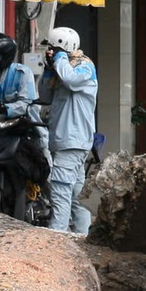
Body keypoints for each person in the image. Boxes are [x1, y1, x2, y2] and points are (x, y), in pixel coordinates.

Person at [39, 28, 99, 235]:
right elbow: (44, 94)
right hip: (64, 140)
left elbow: (71, 80)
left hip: (73, 139)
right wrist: (49, 69)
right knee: (76, 193)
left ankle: (57, 236)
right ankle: (83, 236)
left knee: (60, 188)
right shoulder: (61, 70)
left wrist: (61, 57)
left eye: (53, 48)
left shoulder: (84, 67)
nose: (50, 52)